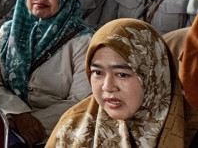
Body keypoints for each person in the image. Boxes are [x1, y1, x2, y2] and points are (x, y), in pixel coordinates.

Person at [0, 0, 92, 146]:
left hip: (56, 133)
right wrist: (17, 114)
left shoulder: (83, 41)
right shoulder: (8, 31)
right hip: (8, 122)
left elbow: (81, 102)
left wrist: (32, 123)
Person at [47, 19, 192, 148]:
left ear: (153, 76)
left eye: (122, 75)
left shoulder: (190, 128)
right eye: (98, 73)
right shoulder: (72, 129)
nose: (107, 87)